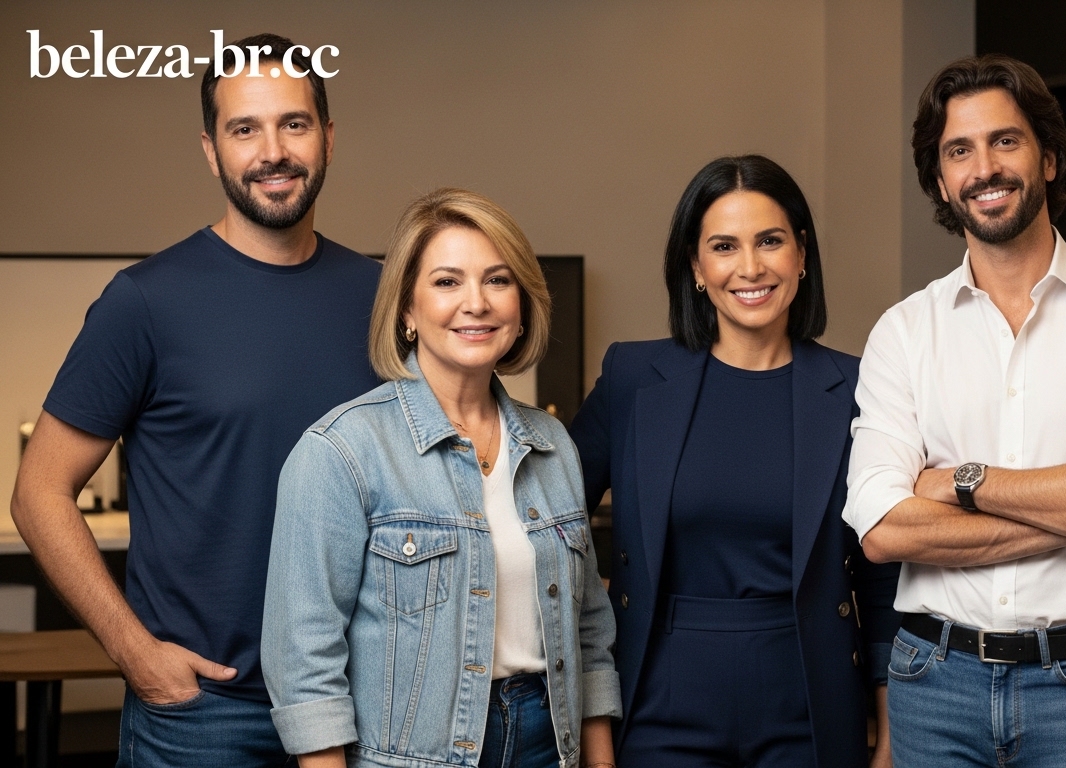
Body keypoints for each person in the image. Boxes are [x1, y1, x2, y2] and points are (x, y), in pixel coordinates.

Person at [9, 34, 375, 767]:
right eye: (245, 129)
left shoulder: (380, 295)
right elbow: (38, 491)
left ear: (328, 137)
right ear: (211, 149)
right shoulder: (145, 302)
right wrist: (134, 651)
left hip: (361, 702)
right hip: (204, 718)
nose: (272, 150)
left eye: (294, 123)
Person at [842, 54, 1066, 767]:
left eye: (1006, 140)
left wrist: (960, 482)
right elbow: (880, 527)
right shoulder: (904, 333)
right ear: (940, 180)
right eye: (959, 150)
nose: (984, 167)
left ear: (1050, 158)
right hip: (933, 683)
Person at [261, 188, 620, 768]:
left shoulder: (554, 445)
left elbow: (588, 634)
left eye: (498, 280)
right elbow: (304, 662)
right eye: (447, 282)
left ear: (522, 304)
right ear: (406, 310)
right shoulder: (341, 450)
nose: (475, 303)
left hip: (549, 743)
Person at [569, 155, 901, 768]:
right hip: (659, 704)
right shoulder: (634, 379)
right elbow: (550, 521)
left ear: (801, 254)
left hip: (809, 703)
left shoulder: (858, 386)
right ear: (696, 267)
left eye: (770, 241)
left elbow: (884, 580)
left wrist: (888, 734)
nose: (750, 267)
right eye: (724, 246)